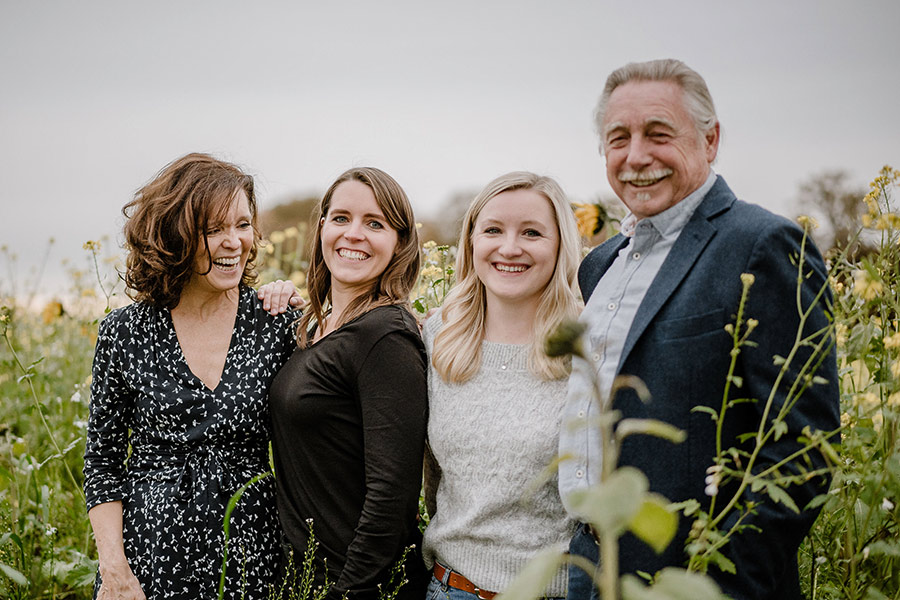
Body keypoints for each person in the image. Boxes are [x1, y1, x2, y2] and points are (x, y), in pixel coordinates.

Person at [559, 59, 840, 599]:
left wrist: (718, 579)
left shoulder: (762, 245)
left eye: (658, 134)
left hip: (694, 579)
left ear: (710, 140)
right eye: (618, 138)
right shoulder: (600, 265)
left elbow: (805, 452)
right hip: (590, 564)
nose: (636, 156)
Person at [83, 153, 299, 599]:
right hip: (148, 560)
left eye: (243, 225)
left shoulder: (276, 322)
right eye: (214, 229)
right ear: (175, 235)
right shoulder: (124, 333)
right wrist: (117, 574)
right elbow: (102, 464)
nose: (235, 242)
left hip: (251, 559)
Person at [268, 167, 428, 600]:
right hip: (306, 580)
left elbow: (391, 494)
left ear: (399, 242)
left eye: (374, 223)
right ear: (321, 227)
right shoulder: (314, 328)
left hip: (361, 586)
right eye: (341, 218)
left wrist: (350, 591)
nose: (353, 234)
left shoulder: (385, 337)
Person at [422, 171, 582, 600]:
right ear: (472, 240)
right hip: (450, 588)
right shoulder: (437, 337)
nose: (510, 248)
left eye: (531, 232)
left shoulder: (588, 346)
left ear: (560, 245)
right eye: (493, 230)